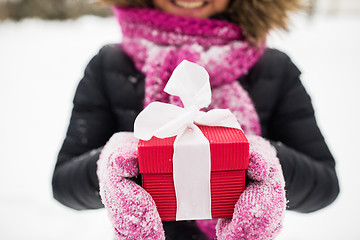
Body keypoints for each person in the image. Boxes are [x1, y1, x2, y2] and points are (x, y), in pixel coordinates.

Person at [52, 0, 340, 239]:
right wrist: (111, 163)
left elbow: (324, 185)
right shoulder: (108, 65)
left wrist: (267, 161)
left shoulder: (274, 68)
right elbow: (64, 184)